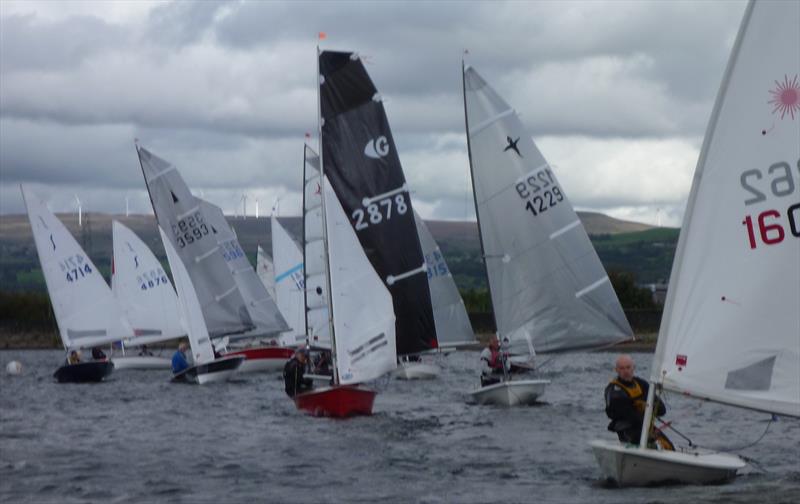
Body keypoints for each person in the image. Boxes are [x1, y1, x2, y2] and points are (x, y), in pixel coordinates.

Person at [604, 354, 673, 450]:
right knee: (652, 446)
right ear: (617, 370)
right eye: (622, 368)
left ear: (633, 368)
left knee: (668, 446)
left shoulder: (641, 384)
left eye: (628, 367)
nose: (625, 371)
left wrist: (649, 407)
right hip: (627, 429)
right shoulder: (614, 389)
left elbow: (661, 410)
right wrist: (644, 407)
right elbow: (628, 415)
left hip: (645, 426)